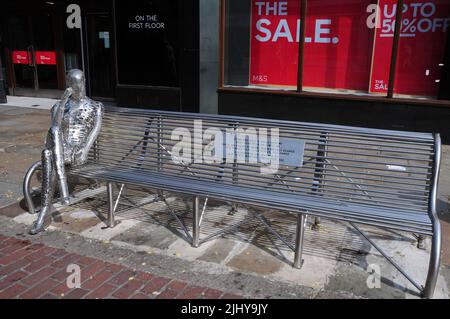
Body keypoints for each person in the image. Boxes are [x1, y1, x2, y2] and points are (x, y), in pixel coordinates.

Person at [30, 69, 103, 234]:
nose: (78, 86)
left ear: (84, 81)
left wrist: (84, 150)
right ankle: (62, 192)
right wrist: (62, 103)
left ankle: (44, 212)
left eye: (80, 81)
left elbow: (95, 130)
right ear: (68, 85)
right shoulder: (60, 106)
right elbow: (54, 126)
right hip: (60, 146)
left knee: (47, 155)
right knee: (55, 132)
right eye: (73, 83)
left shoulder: (95, 106)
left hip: (76, 151)